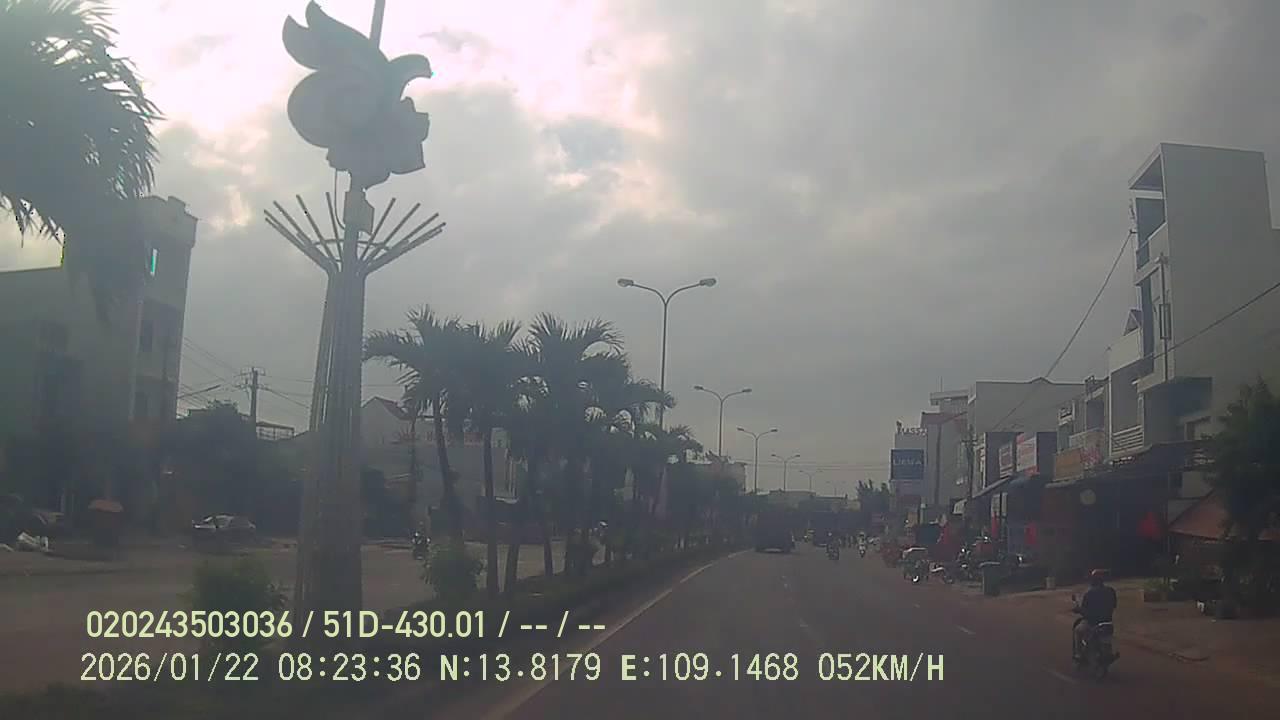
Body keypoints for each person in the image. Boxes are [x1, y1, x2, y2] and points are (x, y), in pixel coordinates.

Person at [1073, 569, 1118, 659]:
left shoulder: (1089, 593)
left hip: (1092, 623)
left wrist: (1078, 610)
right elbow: (1114, 605)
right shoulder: (1111, 590)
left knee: (1078, 630)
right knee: (1106, 637)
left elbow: (1084, 609)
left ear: (1092, 580)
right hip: (1108, 622)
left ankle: (1079, 654)